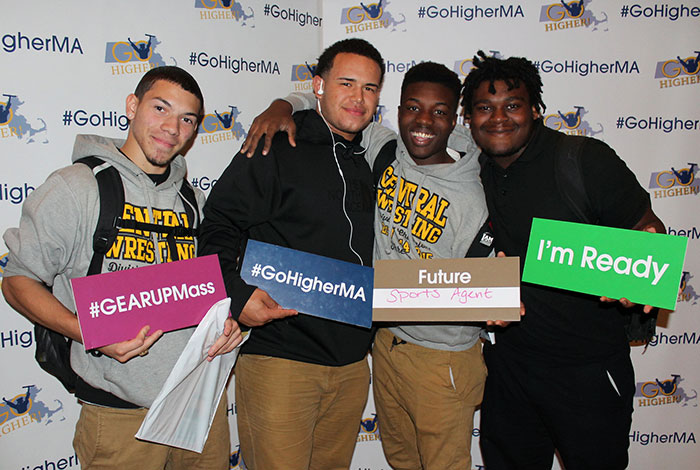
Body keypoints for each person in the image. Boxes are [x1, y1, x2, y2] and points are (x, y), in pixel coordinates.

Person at [240, 61, 509, 470]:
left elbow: (485, 286)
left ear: (454, 118)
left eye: (439, 112)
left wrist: (498, 298)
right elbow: (330, 106)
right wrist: (283, 105)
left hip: (443, 360)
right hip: (384, 346)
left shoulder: (474, 196)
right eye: (412, 108)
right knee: (401, 460)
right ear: (396, 110)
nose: (423, 121)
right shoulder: (386, 147)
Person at [2, 66, 241, 470]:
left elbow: (203, 291)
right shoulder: (76, 187)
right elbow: (17, 280)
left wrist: (226, 322)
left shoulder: (192, 201)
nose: (172, 128)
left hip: (197, 405)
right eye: (161, 108)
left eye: (187, 119)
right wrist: (89, 332)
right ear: (132, 106)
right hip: (119, 415)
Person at [461, 51, 665, 470]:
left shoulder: (582, 159)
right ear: (469, 118)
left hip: (587, 371)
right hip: (510, 369)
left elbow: (647, 227)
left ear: (535, 110)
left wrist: (643, 268)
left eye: (513, 106)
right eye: (485, 107)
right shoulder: (473, 169)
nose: (498, 118)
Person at [197, 38, 385, 470]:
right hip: (282, 363)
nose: (358, 98)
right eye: (347, 83)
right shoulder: (276, 145)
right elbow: (217, 227)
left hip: (353, 367)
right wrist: (238, 296)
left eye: (370, 88)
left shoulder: (369, 156)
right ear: (318, 85)